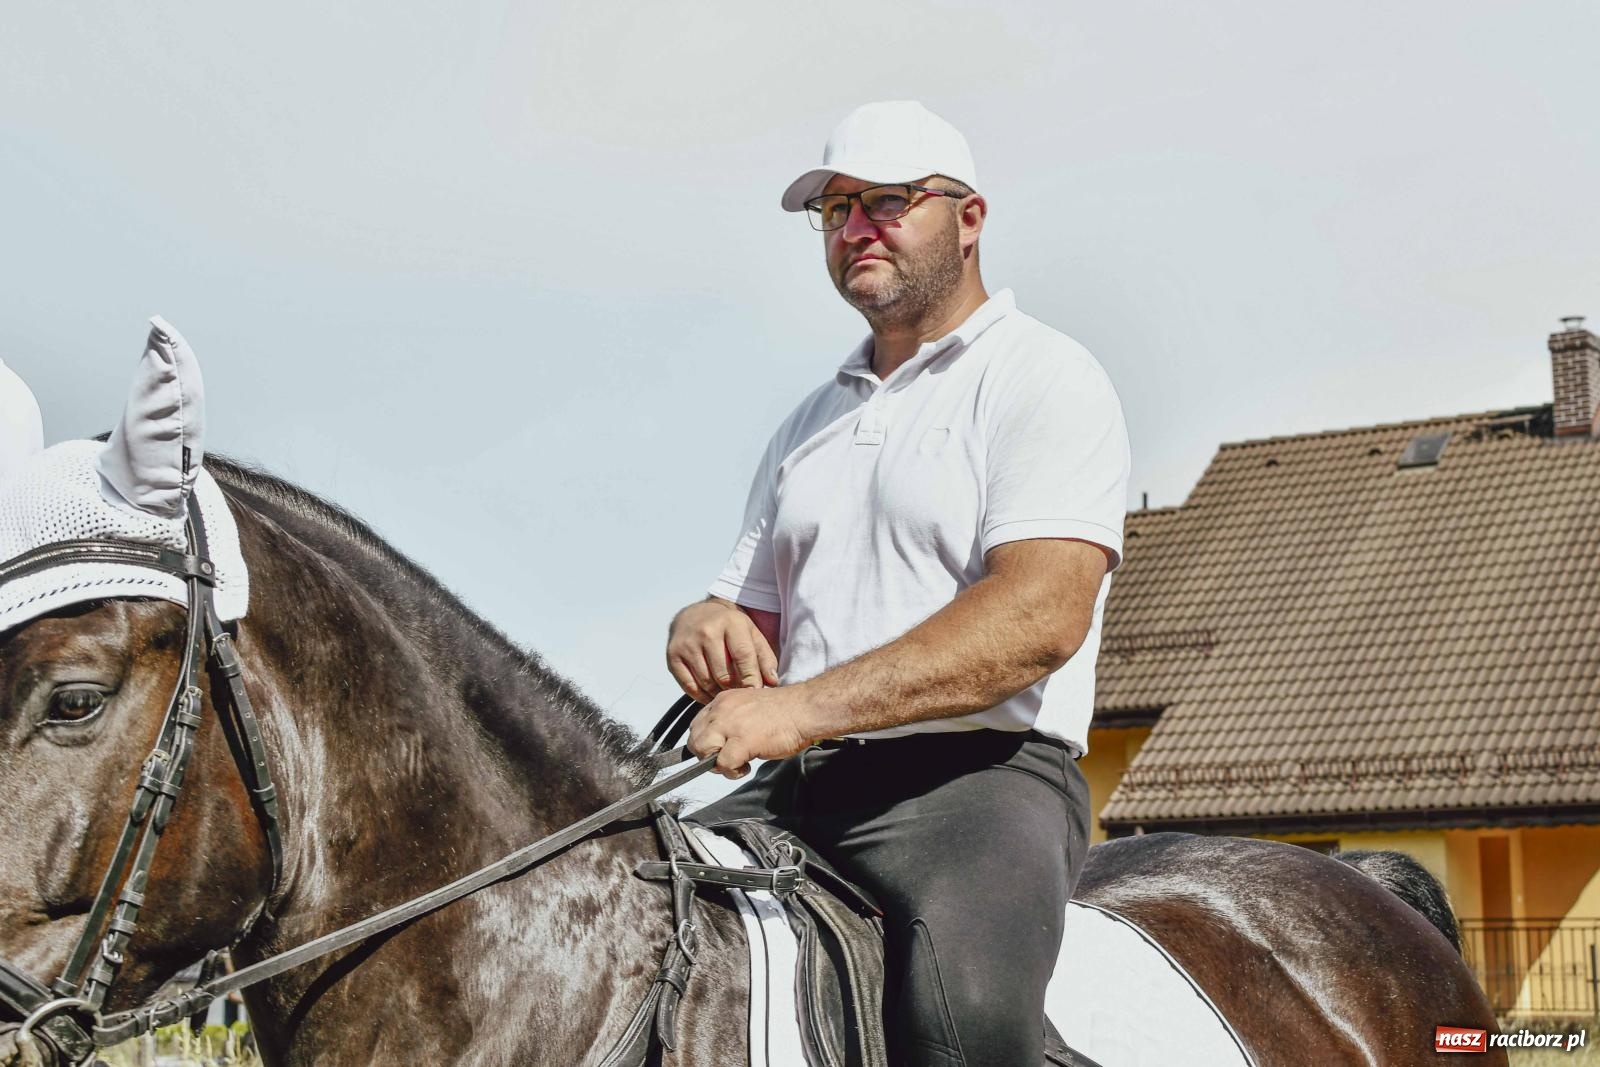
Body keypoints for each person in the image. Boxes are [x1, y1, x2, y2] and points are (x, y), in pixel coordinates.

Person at [667, 100, 1130, 1067]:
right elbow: (749, 614)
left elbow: (1040, 617)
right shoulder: (808, 422)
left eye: (886, 200)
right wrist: (703, 624)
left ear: (970, 219)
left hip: (976, 784)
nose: (854, 228)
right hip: (801, 786)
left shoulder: (1042, 376)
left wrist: (798, 709)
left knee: (966, 1029)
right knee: (625, 902)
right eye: (834, 211)